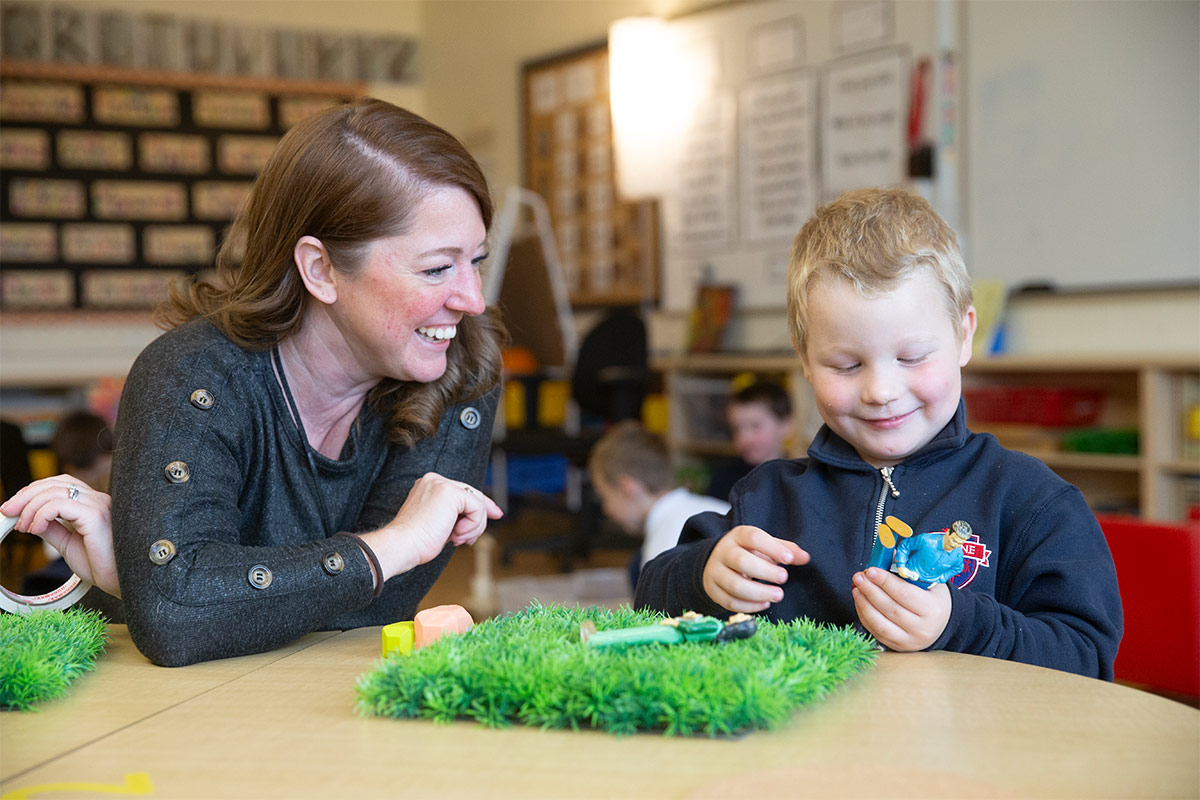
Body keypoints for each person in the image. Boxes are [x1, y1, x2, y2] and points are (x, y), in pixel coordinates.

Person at [1, 99, 506, 667]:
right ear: (320, 269)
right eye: (438, 268)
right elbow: (176, 623)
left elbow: (367, 613)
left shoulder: (464, 371)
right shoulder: (193, 378)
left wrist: (165, 589)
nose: (472, 300)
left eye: (476, 261)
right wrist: (392, 545)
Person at [634, 188, 1122, 680]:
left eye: (912, 357)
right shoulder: (766, 499)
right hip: (807, 753)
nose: (881, 391)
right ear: (804, 359)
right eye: (846, 365)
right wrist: (703, 579)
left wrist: (959, 624)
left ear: (964, 335)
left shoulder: (1031, 500)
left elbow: (1087, 658)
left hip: (971, 753)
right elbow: (649, 601)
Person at [587, 420, 729, 590]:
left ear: (628, 489)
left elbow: (660, 614)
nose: (605, 509)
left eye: (604, 497)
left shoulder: (665, 539)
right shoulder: (705, 506)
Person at [19, 412, 116, 597]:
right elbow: (53, 552)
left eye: (97, 473)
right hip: (66, 562)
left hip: (103, 560)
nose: (90, 480)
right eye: (80, 470)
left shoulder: (121, 484)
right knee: (40, 584)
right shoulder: (63, 489)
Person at [705, 379, 793, 501]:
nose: (744, 438)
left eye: (755, 426)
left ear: (785, 425)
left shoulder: (797, 478)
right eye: (736, 429)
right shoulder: (724, 476)